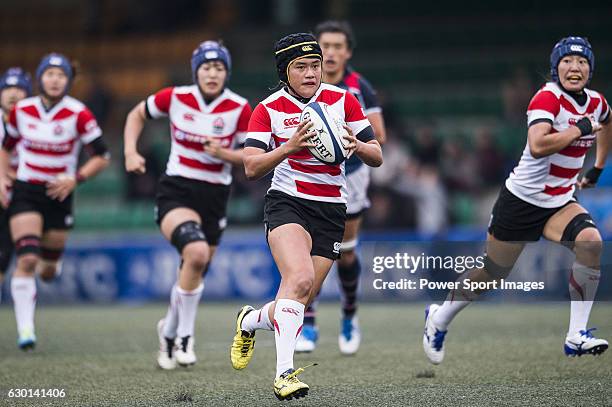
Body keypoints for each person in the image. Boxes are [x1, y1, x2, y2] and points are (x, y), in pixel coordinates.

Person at [423, 36, 609, 364]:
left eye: (582, 61)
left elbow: (605, 121)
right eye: (567, 61)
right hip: (520, 202)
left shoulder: (596, 103)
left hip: (560, 202)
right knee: (493, 273)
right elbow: (538, 145)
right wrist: (578, 130)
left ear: (590, 69)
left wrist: (597, 167)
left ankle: (576, 335)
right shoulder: (546, 99)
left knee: (591, 243)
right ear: (556, 67)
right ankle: (439, 317)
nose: (575, 67)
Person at [229, 32, 382, 400]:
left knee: (299, 299)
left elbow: (376, 154)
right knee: (297, 281)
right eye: (301, 67)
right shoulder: (266, 108)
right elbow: (251, 167)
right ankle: (284, 374)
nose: (312, 72)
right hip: (287, 203)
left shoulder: (343, 101)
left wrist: (355, 144)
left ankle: (249, 321)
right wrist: (289, 147)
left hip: (331, 209)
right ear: (285, 71)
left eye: (315, 65)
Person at [124, 41, 251, 370]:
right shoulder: (175, 97)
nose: (212, 73)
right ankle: (184, 336)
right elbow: (136, 114)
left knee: (196, 268)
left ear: (227, 73)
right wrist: (130, 152)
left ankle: (167, 330)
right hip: (177, 190)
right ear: (196, 71)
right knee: (195, 253)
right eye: (206, 67)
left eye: (219, 67)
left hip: (215, 196)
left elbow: (253, 157)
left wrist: (224, 154)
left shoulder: (239, 108)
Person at [0, 53, 110, 350]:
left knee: (47, 270)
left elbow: (102, 156)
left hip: (59, 194)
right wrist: (2, 177)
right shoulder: (22, 110)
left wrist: (76, 179)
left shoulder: (79, 114)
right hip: (26, 191)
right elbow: (6, 147)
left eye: (60, 75)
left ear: (68, 81)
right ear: (40, 79)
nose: (54, 79)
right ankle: (26, 330)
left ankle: (50, 266)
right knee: (27, 259)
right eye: (49, 74)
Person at [293, 20, 387, 355]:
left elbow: (379, 138)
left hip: (353, 174)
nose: (331, 53)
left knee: (344, 253)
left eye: (337, 46)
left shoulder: (360, 87)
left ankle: (349, 314)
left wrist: (345, 138)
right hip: (310, 176)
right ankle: (309, 321)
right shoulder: (300, 87)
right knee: (306, 253)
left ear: (347, 52)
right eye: (325, 46)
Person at [0, 68, 32, 302]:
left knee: (6, 258)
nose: (13, 94)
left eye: (19, 89)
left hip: (23, 197)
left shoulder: (35, 121)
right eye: (7, 88)